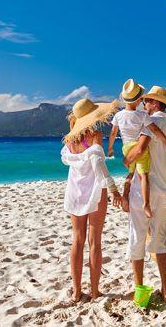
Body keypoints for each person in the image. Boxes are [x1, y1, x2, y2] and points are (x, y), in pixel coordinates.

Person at [123, 86, 166, 303]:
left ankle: (140, 292)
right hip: (164, 191)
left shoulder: (149, 124)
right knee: (160, 239)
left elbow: (140, 150)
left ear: (155, 103)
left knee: (137, 237)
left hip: (144, 192)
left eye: (146, 101)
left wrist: (126, 160)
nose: (143, 105)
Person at [61, 98, 122, 303]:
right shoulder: (95, 135)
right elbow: (98, 163)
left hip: (75, 192)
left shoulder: (70, 140)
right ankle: (95, 291)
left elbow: (68, 160)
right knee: (94, 241)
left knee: (77, 240)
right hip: (95, 191)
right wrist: (113, 189)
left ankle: (77, 292)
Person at [107, 78, 166, 218]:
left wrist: (110, 148)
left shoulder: (118, 115)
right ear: (138, 100)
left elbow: (113, 133)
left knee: (130, 174)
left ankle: (125, 195)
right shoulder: (142, 115)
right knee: (144, 176)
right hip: (138, 147)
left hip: (126, 148)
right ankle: (146, 204)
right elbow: (155, 130)